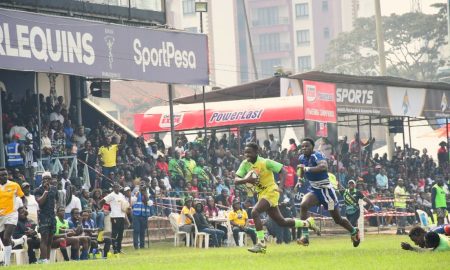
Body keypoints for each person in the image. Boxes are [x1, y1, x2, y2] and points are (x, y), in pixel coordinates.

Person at [234, 142, 318, 254]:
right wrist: (246, 180)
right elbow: (236, 180)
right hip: (261, 194)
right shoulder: (245, 164)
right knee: (282, 222)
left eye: (249, 152)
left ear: (256, 152)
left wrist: (281, 187)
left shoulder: (265, 162)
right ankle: (307, 223)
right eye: (245, 152)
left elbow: (283, 170)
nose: (246, 154)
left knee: (255, 212)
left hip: (271, 191)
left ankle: (261, 244)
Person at [297, 138, 360, 247]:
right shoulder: (302, 158)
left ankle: (353, 231)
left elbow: (323, 167)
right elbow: (301, 170)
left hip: (327, 193)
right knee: (303, 205)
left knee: (337, 219)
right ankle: (305, 236)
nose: (304, 148)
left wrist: (307, 169)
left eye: (307, 146)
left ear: (312, 147)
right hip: (315, 191)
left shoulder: (317, 155)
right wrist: (300, 180)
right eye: (302, 146)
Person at [0, 167, 25, 266]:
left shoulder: (14, 185)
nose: (4, 176)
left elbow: (23, 197)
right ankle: (18, 241)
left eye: (5, 174)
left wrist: (24, 206)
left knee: (6, 238)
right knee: (4, 240)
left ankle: (7, 264)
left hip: (12, 214)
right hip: (1, 216)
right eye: (2, 175)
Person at [34, 171, 59, 263]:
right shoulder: (38, 190)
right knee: (44, 239)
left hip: (52, 217)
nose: (47, 180)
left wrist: (56, 210)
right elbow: (40, 202)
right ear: (42, 179)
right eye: (45, 178)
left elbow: (56, 200)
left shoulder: (54, 189)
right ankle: (43, 259)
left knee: (50, 240)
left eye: (48, 178)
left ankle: (47, 259)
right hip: (43, 217)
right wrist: (46, 191)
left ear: (51, 179)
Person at [100, 183, 127, 254]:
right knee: (115, 233)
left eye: (118, 187)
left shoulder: (121, 195)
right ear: (113, 188)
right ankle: (114, 249)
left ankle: (119, 248)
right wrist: (101, 209)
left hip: (121, 215)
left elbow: (124, 204)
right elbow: (102, 201)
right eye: (115, 187)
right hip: (115, 216)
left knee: (121, 233)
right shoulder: (111, 195)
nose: (117, 188)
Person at [131, 184, 152, 249]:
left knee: (142, 231)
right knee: (136, 230)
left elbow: (150, 204)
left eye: (144, 189)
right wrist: (136, 195)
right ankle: (136, 246)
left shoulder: (147, 195)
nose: (142, 190)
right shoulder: (137, 194)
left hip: (144, 215)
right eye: (141, 189)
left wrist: (146, 195)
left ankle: (142, 246)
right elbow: (132, 202)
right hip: (136, 215)